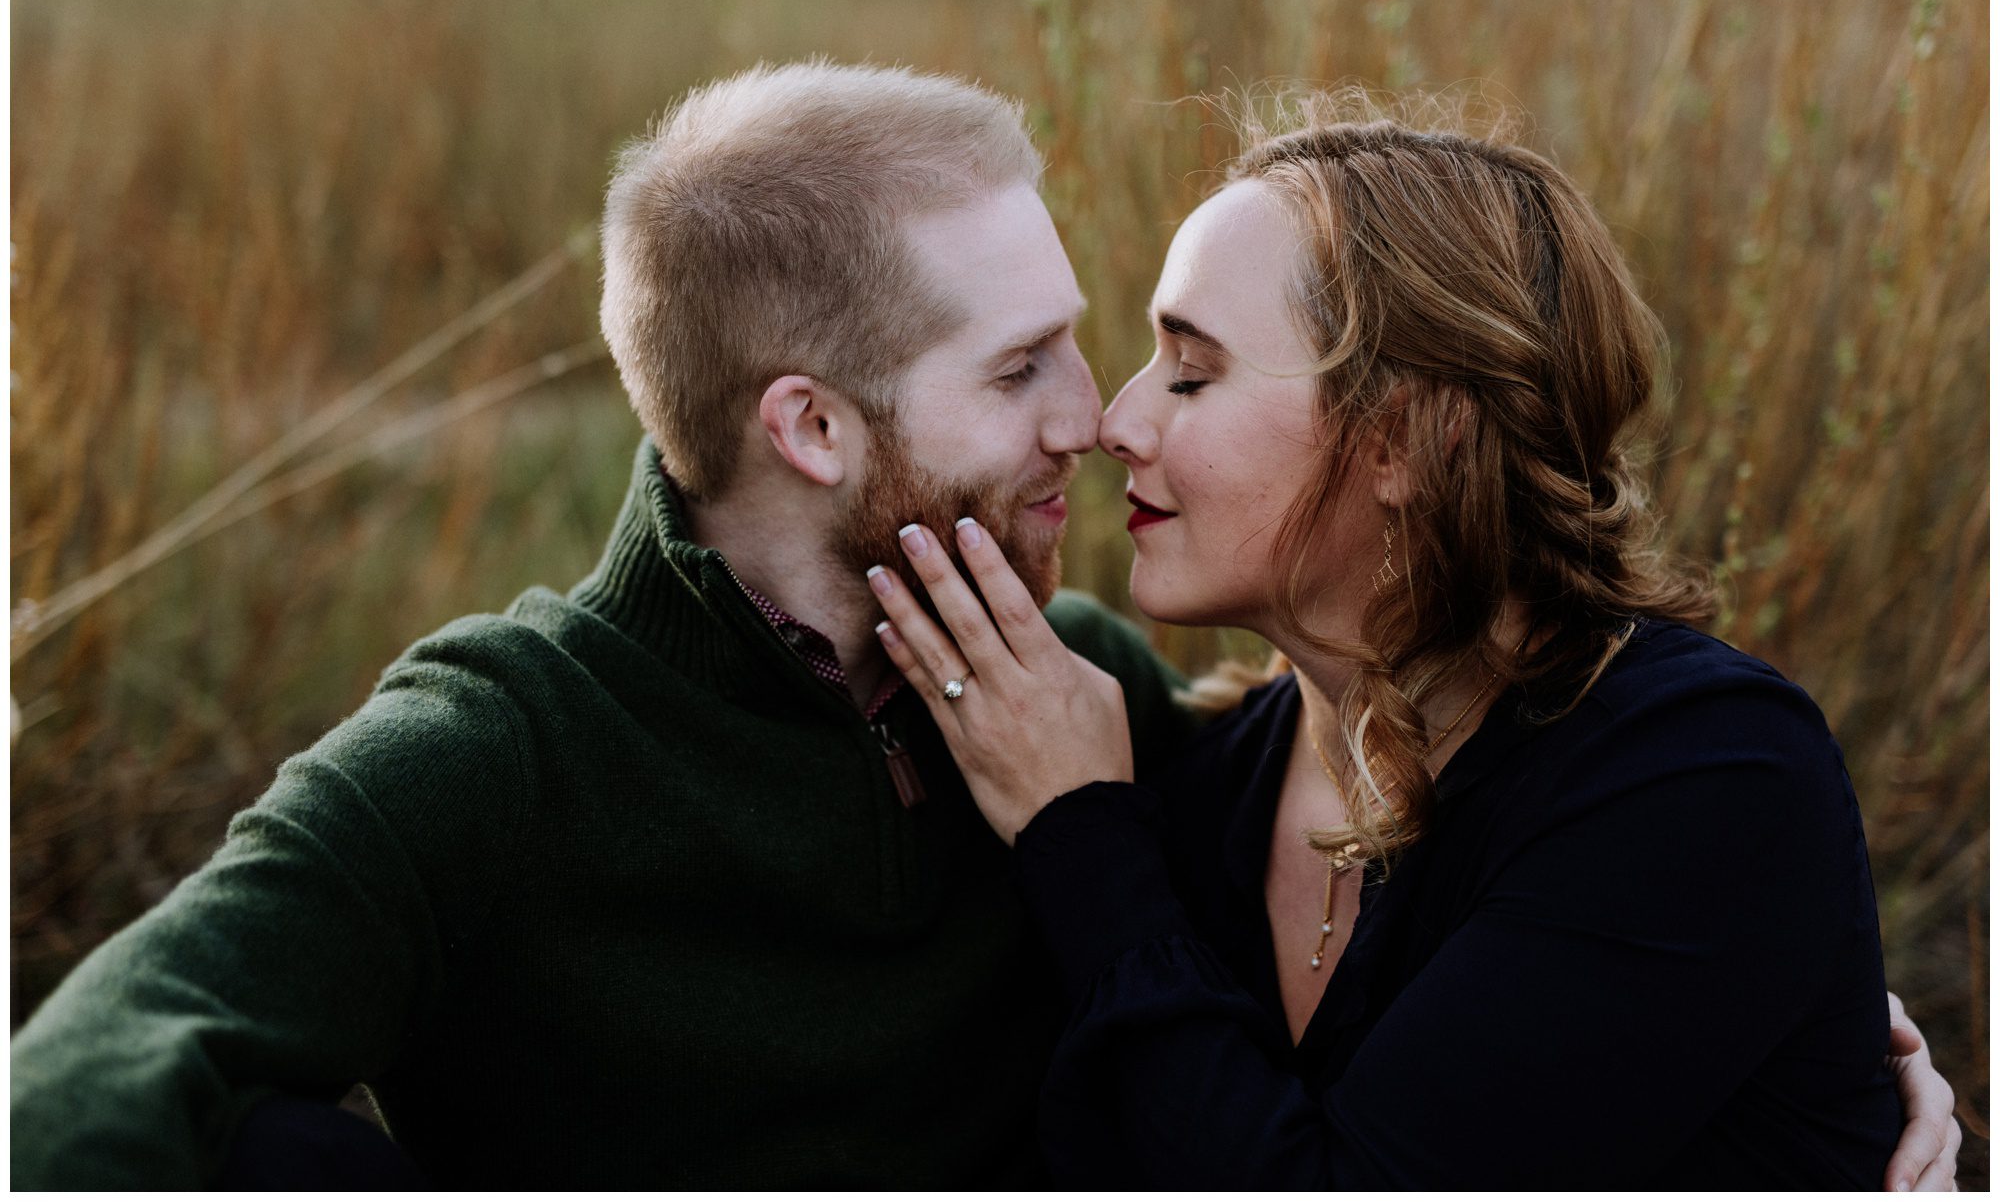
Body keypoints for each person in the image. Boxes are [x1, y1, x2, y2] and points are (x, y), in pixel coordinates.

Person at [9, 66, 1956, 1189]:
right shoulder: (509, 745)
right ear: (809, 425)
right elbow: (71, 1095)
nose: (1095, 418)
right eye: (1028, 363)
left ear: (1405, 437)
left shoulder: (1107, 731)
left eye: (1163, 367)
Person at [865, 101, 1965, 1188]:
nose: (1115, 421)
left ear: (1405, 438)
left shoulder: (1703, 776)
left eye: (1191, 372)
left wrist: (1079, 834)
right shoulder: (1205, 779)